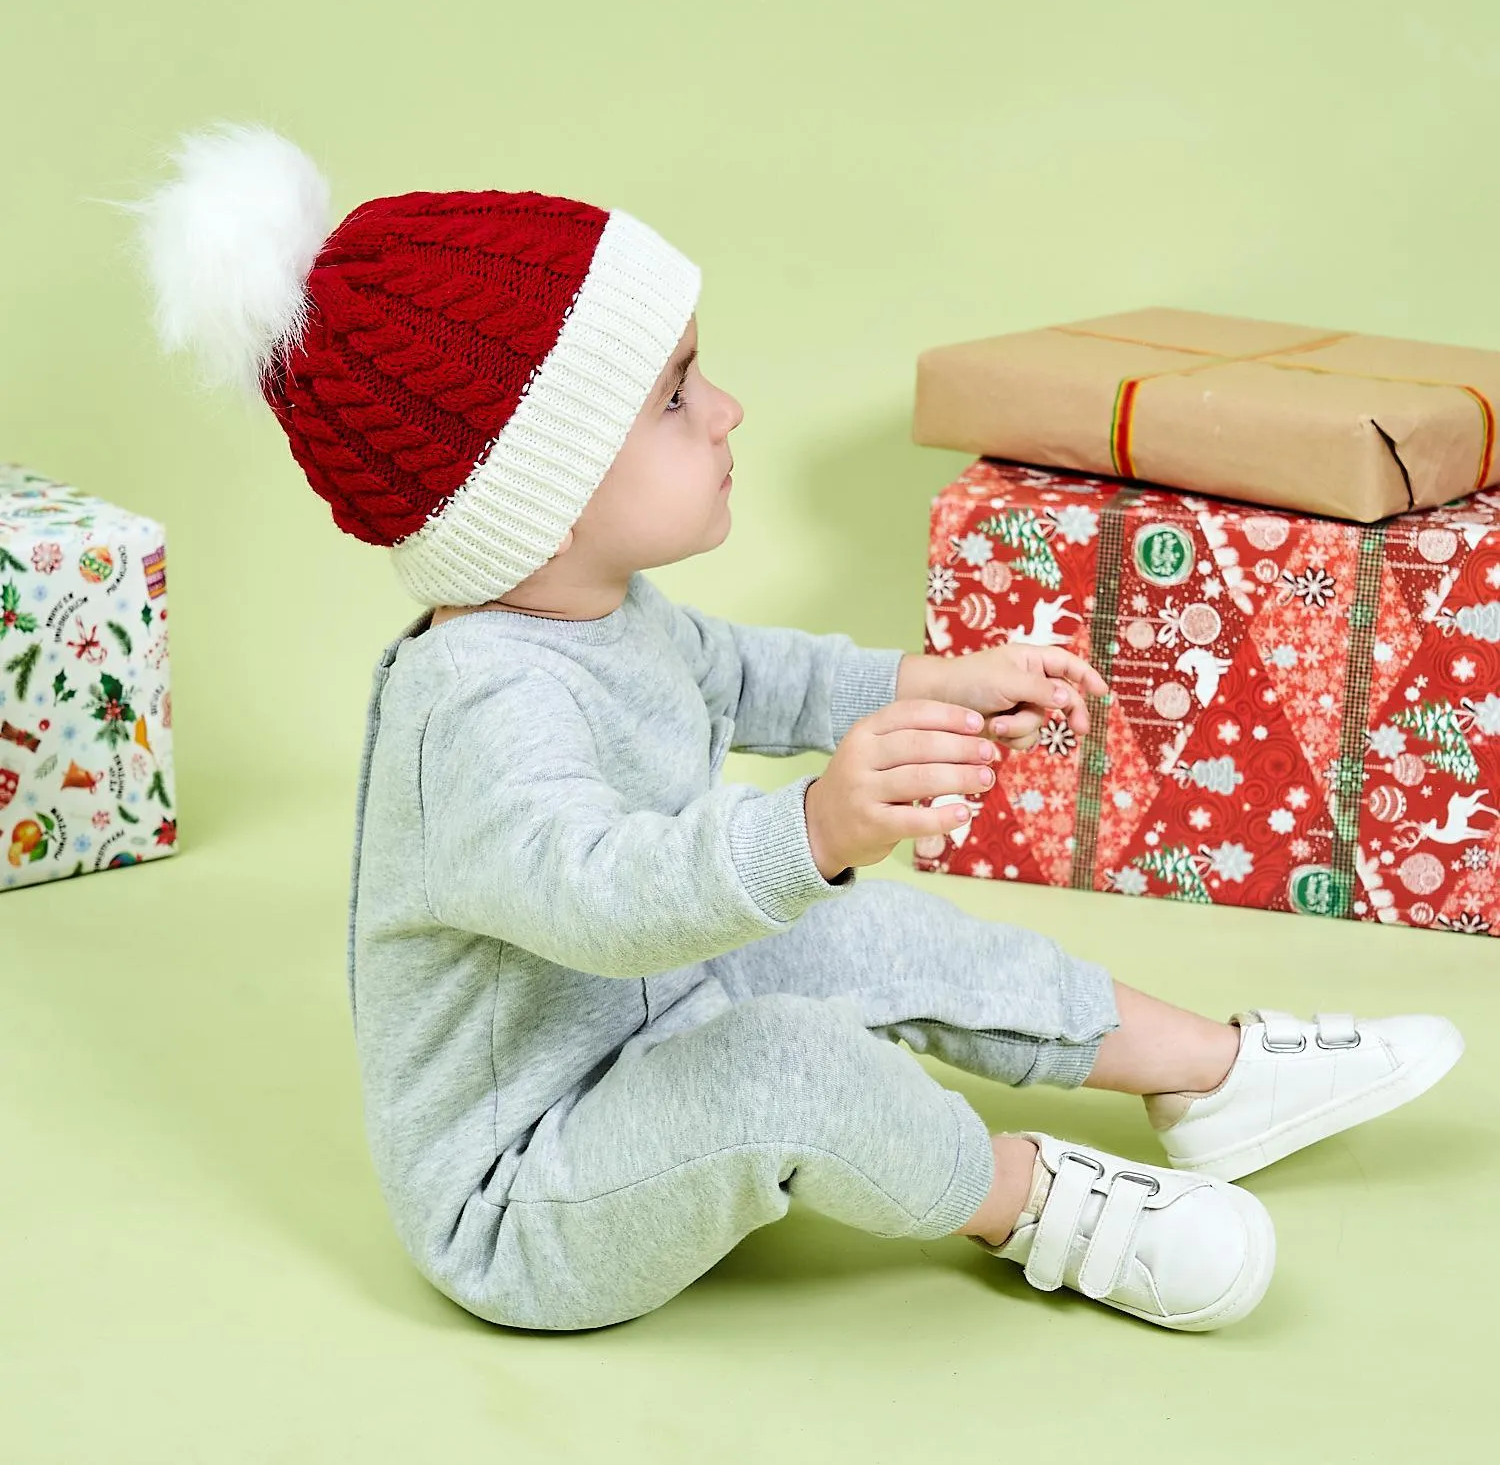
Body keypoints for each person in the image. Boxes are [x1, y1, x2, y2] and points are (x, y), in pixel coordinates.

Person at [130, 123, 1464, 1334]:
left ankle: (1208, 1074)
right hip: (533, 1194)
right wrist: (815, 826)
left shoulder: (605, 610)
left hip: (659, 1018)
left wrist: (925, 680)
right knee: (787, 1064)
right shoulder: (476, 706)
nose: (727, 413)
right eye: (674, 394)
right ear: (534, 491)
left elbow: (746, 673)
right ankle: (1031, 1202)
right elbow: (597, 897)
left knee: (869, 934)